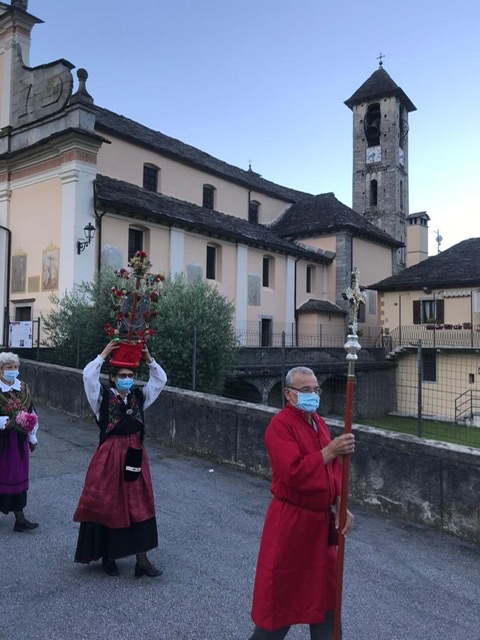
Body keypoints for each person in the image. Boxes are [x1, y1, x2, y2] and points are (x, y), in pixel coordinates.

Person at [248, 366, 355, 640]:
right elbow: (292, 472)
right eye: (306, 390)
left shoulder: (317, 421)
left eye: (316, 389)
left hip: (320, 526)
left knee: (326, 601)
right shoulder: (280, 426)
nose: (313, 394)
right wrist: (330, 450)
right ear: (289, 394)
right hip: (292, 526)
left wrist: (340, 503)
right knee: (281, 602)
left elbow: (333, 470)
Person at [73, 340, 167, 578]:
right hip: (110, 457)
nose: (127, 379)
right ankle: (109, 555)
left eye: (131, 375)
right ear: (113, 378)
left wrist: (148, 359)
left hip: (135, 454)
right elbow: (88, 376)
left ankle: (141, 560)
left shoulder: (139, 396)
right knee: (110, 503)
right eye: (122, 375)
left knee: (139, 504)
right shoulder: (101, 399)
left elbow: (160, 380)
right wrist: (105, 353)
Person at [0, 352, 39, 532]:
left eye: (15, 367)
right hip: (2, 441)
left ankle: (20, 519)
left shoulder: (23, 388)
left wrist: (32, 436)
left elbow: (31, 413)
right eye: (9, 368)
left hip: (18, 441)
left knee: (18, 476)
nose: (13, 371)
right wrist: (5, 423)